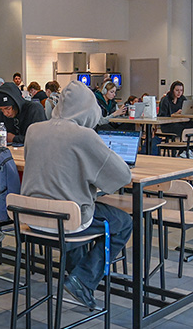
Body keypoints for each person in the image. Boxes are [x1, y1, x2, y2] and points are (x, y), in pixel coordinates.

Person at [21, 80, 133, 309]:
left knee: (75, 209)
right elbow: (123, 176)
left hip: (31, 218)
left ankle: (74, 274)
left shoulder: (33, 130)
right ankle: (83, 280)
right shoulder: (84, 136)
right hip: (66, 220)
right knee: (122, 222)